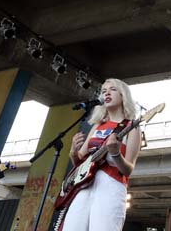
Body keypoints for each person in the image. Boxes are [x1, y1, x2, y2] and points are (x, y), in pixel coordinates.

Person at [61, 78, 142, 231]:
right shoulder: (98, 125)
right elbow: (80, 162)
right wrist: (73, 151)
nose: (106, 93)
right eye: (104, 91)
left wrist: (115, 154)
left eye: (112, 89)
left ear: (123, 95)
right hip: (84, 187)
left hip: (111, 186)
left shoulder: (132, 127)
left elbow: (128, 170)